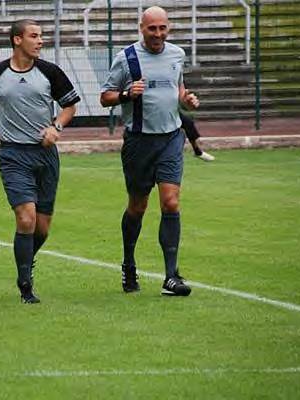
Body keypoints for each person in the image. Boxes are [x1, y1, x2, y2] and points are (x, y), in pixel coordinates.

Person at [0, 19, 80, 304]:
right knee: (26, 217)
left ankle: (26, 259)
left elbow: (70, 106)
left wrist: (56, 128)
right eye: (34, 36)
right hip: (13, 155)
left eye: (41, 36)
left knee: (42, 228)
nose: (40, 41)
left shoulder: (49, 72)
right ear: (17, 40)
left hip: (45, 156)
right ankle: (25, 284)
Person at [100, 6, 199, 296]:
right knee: (138, 206)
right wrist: (126, 94)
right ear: (141, 28)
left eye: (163, 28)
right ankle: (129, 264)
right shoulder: (126, 58)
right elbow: (105, 97)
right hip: (139, 143)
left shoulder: (177, 55)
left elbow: (178, 88)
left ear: (168, 29)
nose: (158, 34)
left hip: (170, 139)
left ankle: (171, 276)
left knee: (170, 202)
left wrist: (187, 100)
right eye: (152, 28)